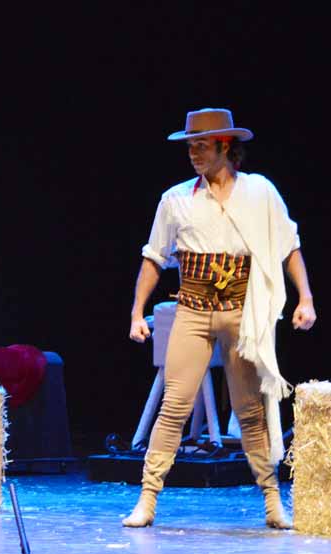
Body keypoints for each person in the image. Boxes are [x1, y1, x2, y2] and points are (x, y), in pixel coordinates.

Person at [124, 108, 317, 529]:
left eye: (200, 146)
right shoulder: (175, 199)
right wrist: (138, 311)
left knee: (250, 410)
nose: (192, 153)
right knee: (174, 405)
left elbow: (289, 245)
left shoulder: (260, 192)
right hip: (193, 310)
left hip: (241, 313)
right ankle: (147, 499)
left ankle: (272, 500)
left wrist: (305, 297)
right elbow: (153, 258)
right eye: (189, 146)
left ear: (224, 146)